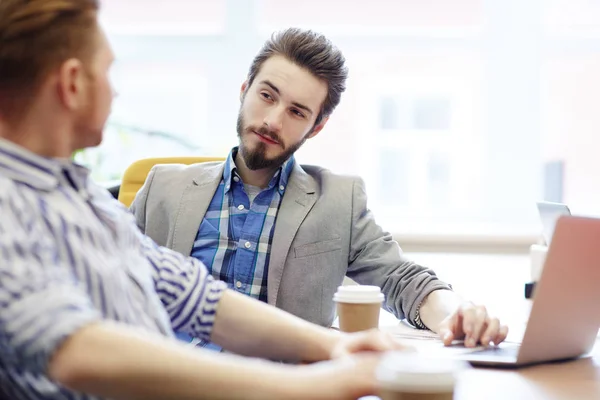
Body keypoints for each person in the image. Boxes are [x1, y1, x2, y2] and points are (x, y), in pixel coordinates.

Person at [0, 1, 407, 399]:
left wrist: (332, 347)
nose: (116, 89)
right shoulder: (8, 202)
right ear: (72, 83)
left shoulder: (84, 198)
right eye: (107, 71)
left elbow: (193, 294)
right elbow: (75, 351)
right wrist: (316, 386)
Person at [131, 27, 509, 349]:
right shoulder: (162, 188)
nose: (273, 121)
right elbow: (103, 277)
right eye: (267, 95)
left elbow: (402, 280)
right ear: (244, 90)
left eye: (297, 112)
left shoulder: (338, 202)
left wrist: (455, 313)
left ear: (316, 127)